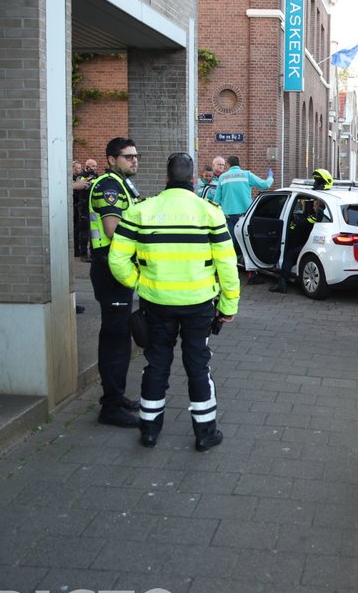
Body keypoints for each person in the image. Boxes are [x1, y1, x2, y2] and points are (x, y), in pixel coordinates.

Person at [109, 152, 240, 451]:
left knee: (156, 364)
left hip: (156, 304)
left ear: (166, 178)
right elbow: (227, 264)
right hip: (199, 304)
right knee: (198, 366)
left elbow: (117, 260)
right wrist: (228, 305)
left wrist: (139, 283)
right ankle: (205, 433)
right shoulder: (210, 212)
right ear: (193, 178)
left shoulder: (141, 211)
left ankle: (149, 430)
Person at [88, 137, 144, 427]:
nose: (134, 160)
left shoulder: (122, 184)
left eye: (135, 156)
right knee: (115, 338)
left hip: (117, 268)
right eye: (128, 156)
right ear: (111, 160)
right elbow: (112, 229)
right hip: (109, 270)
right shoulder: (109, 186)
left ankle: (116, 396)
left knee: (120, 336)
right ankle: (110, 407)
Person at [212, 155, 274, 283]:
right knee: (247, 245)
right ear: (238, 164)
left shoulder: (223, 177)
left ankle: (226, 273)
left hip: (229, 217)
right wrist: (270, 177)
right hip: (245, 217)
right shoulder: (247, 175)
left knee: (229, 246)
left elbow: (216, 200)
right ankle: (252, 275)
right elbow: (265, 185)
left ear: (228, 164)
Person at [72, 159, 96, 262]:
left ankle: (93, 254)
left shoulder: (95, 175)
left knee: (93, 232)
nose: (95, 168)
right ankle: (83, 254)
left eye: (95, 166)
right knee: (84, 232)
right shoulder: (81, 176)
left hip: (93, 207)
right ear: (87, 166)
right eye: (93, 166)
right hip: (83, 207)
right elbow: (83, 188)